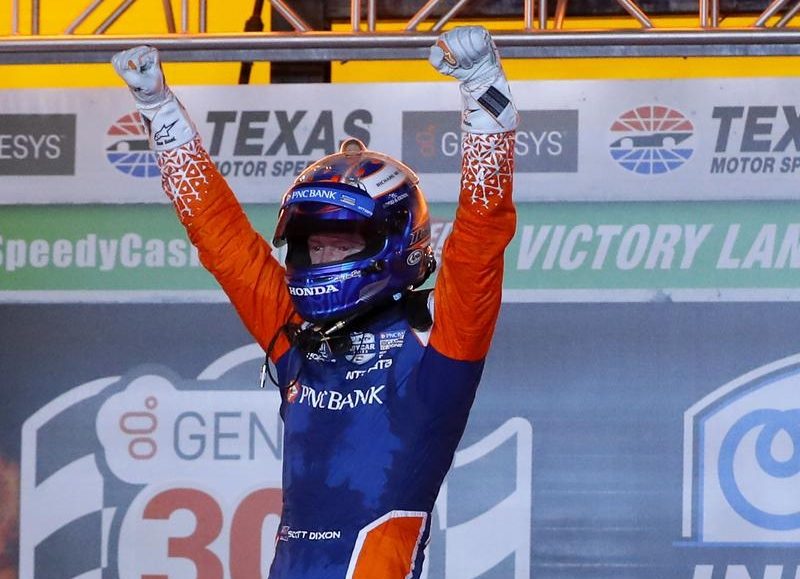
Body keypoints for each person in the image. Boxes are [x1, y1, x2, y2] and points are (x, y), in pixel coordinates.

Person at [113, 25, 518, 579]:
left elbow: (480, 239)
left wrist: (484, 96)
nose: (323, 256)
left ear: (393, 242)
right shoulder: (295, 332)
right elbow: (222, 242)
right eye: (313, 244)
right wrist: (161, 113)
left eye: (341, 243)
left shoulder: (437, 340)